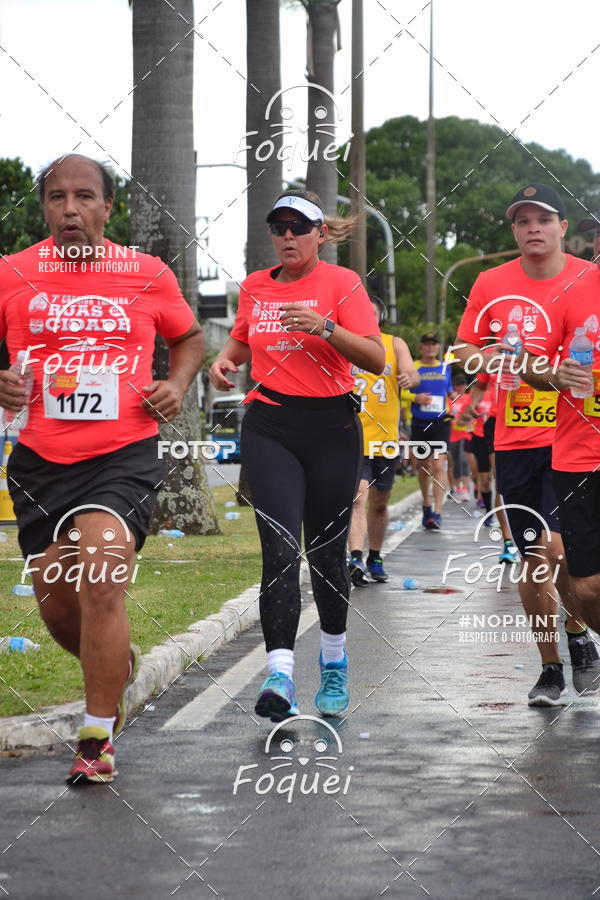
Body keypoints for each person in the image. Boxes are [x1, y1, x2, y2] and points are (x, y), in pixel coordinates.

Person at [0, 154, 203, 782]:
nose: (69, 209)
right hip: (40, 459)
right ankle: (118, 666)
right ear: (43, 209)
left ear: (107, 207)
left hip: (122, 453)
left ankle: (96, 740)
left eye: (84, 196)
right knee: (60, 608)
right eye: (56, 197)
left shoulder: (144, 273)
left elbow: (189, 337)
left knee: (104, 568)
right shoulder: (13, 273)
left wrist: (177, 382)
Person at [209, 189, 384, 722]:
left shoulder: (341, 284)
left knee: (327, 555)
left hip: (331, 426)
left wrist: (325, 328)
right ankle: (280, 675)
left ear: (319, 234)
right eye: (278, 227)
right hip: (270, 426)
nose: (287, 236)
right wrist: (223, 361)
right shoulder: (256, 288)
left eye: (298, 227)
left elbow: (376, 359)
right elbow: (242, 342)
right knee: (280, 549)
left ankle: (333, 664)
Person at [454, 182, 599, 705]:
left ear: (564, 228)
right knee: (532, 557)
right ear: (514, 231)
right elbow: (465, 351)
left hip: (573, 440)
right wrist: (497, 358)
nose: (533, 228)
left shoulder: (589, 280)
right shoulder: (491, 282)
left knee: (560, 551)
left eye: (543, 219)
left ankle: (579, 632)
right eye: (523, 221)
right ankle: (553, 664)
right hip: (513, 438)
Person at [522, 211, 600, 694]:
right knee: (588, 588)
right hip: (578, 459)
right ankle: (576, 640)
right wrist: (554, 376)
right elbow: (531, 365)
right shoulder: (571, 290)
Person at [347, 296, 420, 585]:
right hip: (354, 437)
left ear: (381, 316)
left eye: (372, 312)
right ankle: (355, 557)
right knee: (358, 497)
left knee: (379, 502)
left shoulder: (394, 343)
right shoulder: (347, 343)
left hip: (386, 439)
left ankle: (374, 556)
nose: (367, 315)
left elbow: (412, 373)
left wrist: (409, 379)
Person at [411, 333, 454, 530]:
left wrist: (454, 397)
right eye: (426, 344)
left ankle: (437, 512)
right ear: (420, 348)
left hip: (440, 424)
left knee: (438, 465)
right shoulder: (413, 367)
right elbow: (400, 391)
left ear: (438, 347)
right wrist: (415, 398)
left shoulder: (446, 368)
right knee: (423, 467)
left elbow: (450, 391)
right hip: (419, 423)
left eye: (433, 344)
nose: (430, 348)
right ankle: (426, 504)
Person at [448, 373, 472, 500]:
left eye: (463, 384)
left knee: (463, 461)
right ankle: (456, 488)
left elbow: (471, 414)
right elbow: (448, 415)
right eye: (458, 385)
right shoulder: (450, 399)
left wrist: (462, 420)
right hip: (452, 435)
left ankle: (465, 488)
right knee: (454, 463)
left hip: (465, 434)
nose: (461, 387)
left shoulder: (469, 398)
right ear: (454, 386)